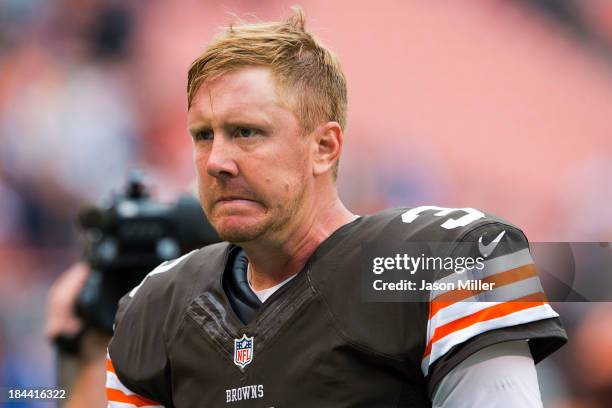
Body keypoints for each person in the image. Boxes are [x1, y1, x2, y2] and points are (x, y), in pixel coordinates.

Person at [105, 8, 567, 407]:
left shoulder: (442, 259)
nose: (217, 161)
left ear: (324, 147)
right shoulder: (155, 307)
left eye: (247, 132)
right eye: (203, 136)